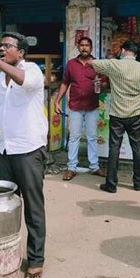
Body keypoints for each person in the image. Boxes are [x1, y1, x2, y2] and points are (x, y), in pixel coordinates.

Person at [0, 32, 47, 278]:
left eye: (7, 46)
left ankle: (35, 260)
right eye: (0, 46)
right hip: (5, 151)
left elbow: (25, 82)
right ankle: (7, 253)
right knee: (2, 208)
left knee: (33, 208)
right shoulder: (1, 79)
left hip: (28, 149)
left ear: (20, 52)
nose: (2, 49)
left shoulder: (32, 70)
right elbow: (0, 114)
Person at [90, 40, 140, 193]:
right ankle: (138, 183)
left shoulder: (114, 64)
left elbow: (93, 63)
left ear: (124, 51)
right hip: (135, 114)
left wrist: (110, 58)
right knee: (137, 147)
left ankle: (111, 184)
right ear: (136, 54)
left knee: (114, 148)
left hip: (117, 114)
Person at [54, 37, 105, 181]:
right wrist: (57, 101)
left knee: (92, 137)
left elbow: (105, 84)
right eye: (82, 45)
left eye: (87, 45)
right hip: (75, 107)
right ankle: (71, 167)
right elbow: (65, 83)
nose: (84, 48)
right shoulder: (71, 64)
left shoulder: (97, 64)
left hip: (92, 106)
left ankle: (94, 166)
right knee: (74, 137)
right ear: (78, 47)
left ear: (91, 47)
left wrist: (101, 84)